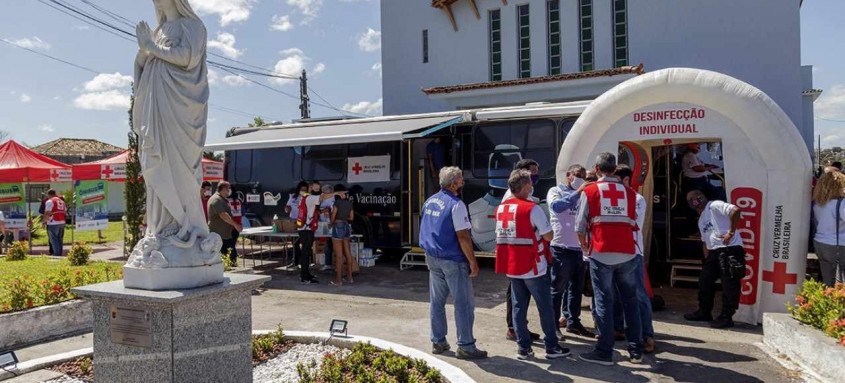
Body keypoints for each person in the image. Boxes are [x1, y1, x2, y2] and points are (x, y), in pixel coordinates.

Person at [576, 153, 643, 365]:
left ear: (596, 168)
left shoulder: (590, 191)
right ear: (614, 169)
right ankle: (636, 350)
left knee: (604, 300)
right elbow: (633, 221)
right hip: (628, 252)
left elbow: (579, 226)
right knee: (630, 301)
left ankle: (604, 352)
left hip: (601, 253)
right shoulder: (630, 193)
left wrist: (584, 245)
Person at [496, 169, 571, 360]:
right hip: (533, 265)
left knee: (519, 307)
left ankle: (523, 348)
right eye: (530, 182)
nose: (532, 185)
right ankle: (552, 347)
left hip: (512, 266)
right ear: (525, 186)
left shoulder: (502, 208)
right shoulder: (532, 208)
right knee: (545, 307)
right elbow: (548, 236)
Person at [419, 166, 487, 360]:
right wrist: (473, 262)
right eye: (460, 179)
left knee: (437, 302)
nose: (463, 182)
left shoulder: (430, 201)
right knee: (463, 304)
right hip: (452, 260)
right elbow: (463, 237)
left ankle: (438, 341)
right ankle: (466, 345)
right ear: (453, 184)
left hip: (432, 257)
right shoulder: (456, 205)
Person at [683, 190, 745, 328]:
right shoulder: (701, 219)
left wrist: (731, 232)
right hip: (713, 252)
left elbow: (735, 210)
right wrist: (707, 260)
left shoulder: (714, 205)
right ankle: (704, 311)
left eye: (695, 197)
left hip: (730, 249)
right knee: (705, 281)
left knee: (730, 284)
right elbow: (705, 242)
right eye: (690, 199)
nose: (694, 201)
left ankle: (726, 316)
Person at [546, 164, 595, 339]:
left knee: (576, 288)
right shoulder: (555, 191)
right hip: (561, 248)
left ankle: (574, 322)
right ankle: (552, 326)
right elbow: (557, 207)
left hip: (579, 249)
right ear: (568, 175)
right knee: (557, 288)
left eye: (584, 176)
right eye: (578, 175)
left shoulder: (583, 194)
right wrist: (578, 192)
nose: (582, 178)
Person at [615, 165, 655, 353]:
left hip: (632, 252)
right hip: (613, 252)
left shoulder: (637, 199)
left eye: (615, 182)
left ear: (625, 180)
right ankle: (619, 329)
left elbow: (631, 224)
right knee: (616, 295)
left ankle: (647, 335)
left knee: (639, 295)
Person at [502, 159, 542, 341]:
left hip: (520, 253)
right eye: (532, 172)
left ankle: (519, 328)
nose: (535, 176)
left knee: (520, 296)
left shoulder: (522, 197)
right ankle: (514, 328)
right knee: (516, 296)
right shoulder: (511, 197)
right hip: (517, 254)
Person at [811, 171, 845, 286]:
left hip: (820, 244)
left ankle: (827, 300)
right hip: (838, 245)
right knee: (841, 281)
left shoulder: (818, 204)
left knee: (828, 280)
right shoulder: (841, 203)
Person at [207, 182, 242, 263]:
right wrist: (236, 225)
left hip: (225, 234)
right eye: (227, 189)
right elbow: (223, 215)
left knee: (230, 253)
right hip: (219, 234)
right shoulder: (217, 200)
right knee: (226, 254)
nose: (229, 191)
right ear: (222, 189)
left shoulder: (222, 199)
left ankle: (231, 266)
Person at [296, 181, 322, 284]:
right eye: (315, 186)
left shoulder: (305, 197)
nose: (317, 188)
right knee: (306, 253)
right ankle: (304, 276)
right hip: (306, 229)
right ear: (310, 187)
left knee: (306, 252)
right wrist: (336, 193)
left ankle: (306, 274)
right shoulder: (310, 197)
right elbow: (322, 197)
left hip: (304, 228)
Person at [331, 185, 355, 286]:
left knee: (339, 255)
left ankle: (338, 280)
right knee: (348, 253)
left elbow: (333, 216)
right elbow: (351, 218)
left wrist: (332, 222)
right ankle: (350, 277)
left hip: (338, 226)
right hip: (346, 226)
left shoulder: (337, 203)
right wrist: (344, 218)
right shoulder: (349, 203)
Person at [286, 181, 309, 268]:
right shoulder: (293, 197)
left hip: (302, 221)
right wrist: (287, 208)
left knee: (301, 242)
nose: (303, 191)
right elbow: (287, 207)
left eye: (305, 189)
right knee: (294, 242)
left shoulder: (307, 198)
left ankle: (300, 262)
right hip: (293, 220)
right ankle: (295, 262)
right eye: (302, 189)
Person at [42, 189, 67, 257]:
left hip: (53, 222)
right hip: (62, 222)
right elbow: (65, 212)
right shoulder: (62, 201)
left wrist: (43, 222)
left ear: (49, 194)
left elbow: (47, 213)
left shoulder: (50, 201)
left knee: (53, 239)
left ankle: (56, 255)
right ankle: (60, 254)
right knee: (59, 239)